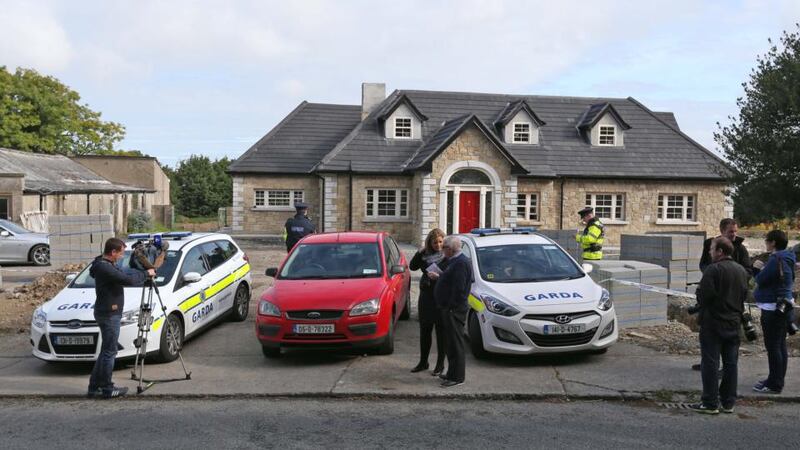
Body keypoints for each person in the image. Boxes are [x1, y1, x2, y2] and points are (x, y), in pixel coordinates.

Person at [689, 237, 749, 414]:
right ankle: (728, 402)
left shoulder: (712, 270)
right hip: (733, 323)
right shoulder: (740, 270)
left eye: (712, 248)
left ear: (720, 251)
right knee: (731, 364)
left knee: (710, 363)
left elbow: (704, 296)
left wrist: (699, 296)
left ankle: (710, 402)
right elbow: (744, 295)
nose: (709, 251)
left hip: (713, 323)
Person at [88, 238, 154, 399]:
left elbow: (122, 272)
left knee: (106, 351)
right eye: (121, 253)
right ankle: (107, 388)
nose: (122, 257)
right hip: (110, 314)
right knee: (110, 352)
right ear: (113, 252)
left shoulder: (101, 263)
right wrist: (147, 273)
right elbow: (128, 280)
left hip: (105, 312)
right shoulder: (105, 268)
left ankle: (94, 387)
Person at [692, 218, 752, 371]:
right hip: (713, 297)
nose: (734, 234)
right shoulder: (709, 244)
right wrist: (711, 275)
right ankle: (709, 362)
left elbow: (748, 271)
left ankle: (726, 368)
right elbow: (703, 264)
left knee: (729, 343)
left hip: (731, 297)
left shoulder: (740, 249)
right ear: (721, 231)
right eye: (730, 231)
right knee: (710, 336)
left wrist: (730, 276)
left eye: (735, 231)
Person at [752, 230, 797, 394]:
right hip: (784, 305)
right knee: (780, 346)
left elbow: (761, 280)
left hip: (772, 308)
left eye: (767, 241)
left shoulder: (775, 259)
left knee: (773, 347)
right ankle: (775, 379)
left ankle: (774, 384)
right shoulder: (789, 257)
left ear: (773, 243)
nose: (766, 243)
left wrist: (757, 270)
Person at [430, 236, 472, 388]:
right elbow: (450, 280)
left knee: (456, 344)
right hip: (448, 308)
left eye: (444, 248)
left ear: (450, 249)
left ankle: (457, 377)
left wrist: (451, 307)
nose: (442, 250)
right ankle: (451, 373)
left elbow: (459, 289)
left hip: (454, 310)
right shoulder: (455, 261)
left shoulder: (461, 263)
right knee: (450, 343)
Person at [408, 228, 447, 376]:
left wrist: (440, 277)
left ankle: (440, 364)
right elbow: (412, 266)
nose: (438, 245)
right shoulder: (425, 254)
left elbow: (452, 274)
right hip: (426, 295)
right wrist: (420, 252)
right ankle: (423, 362)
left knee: (441, 332)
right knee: (425, 330)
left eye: (440, 242)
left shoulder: (447, 254)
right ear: (429, 243)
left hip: (441, 296)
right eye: (434, 242)